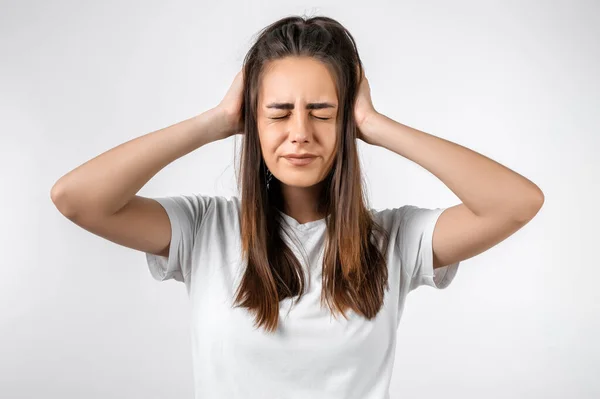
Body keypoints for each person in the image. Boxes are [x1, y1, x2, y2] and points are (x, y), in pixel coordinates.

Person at [50, 15, 544, 399]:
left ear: (345, 122)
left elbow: (517, 204)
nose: (300, 134)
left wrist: (375, 124)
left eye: (323, 113)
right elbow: (77, 199)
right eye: (279, 113)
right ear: (252, 121)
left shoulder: (395, 239)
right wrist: (218, 119)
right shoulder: (205, 228)